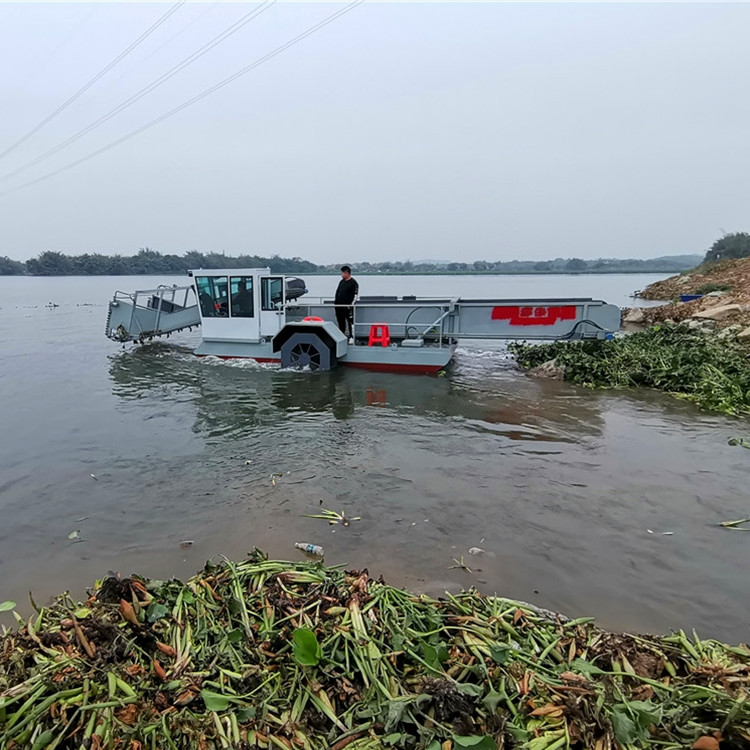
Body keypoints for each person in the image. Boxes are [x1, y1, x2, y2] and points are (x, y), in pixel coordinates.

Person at [334, 265, 358, 339]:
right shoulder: (341, 282)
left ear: (347, 273)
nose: (342, 275)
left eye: (343, 273)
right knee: (340, 322)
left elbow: (355, 296)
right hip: (338, 306)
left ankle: (351, 337)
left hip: (347, 307)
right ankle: (341, 336)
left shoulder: (353, 283)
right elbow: (338, 292)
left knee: (350, 322)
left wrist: (350, 305)